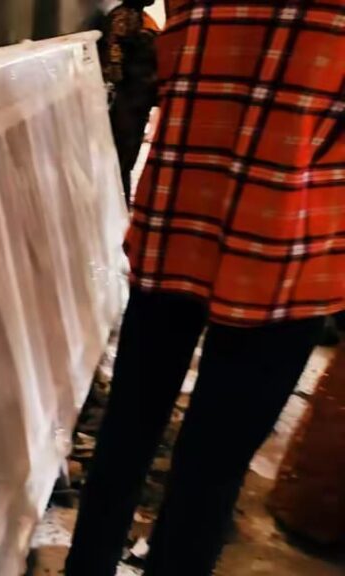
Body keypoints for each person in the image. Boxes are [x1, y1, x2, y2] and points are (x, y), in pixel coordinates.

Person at [66, 1, 345, 575]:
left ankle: (89, 566)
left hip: (179, 221)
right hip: (291, 249)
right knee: (211, 470)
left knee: (128, 434)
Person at [88, 0, 161, 205]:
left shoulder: (139, 19)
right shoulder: (124, 19)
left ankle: (119, 207)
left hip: (134, 103)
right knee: (119, 165)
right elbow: (113, 68)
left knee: (122, 165)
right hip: (126, 103)